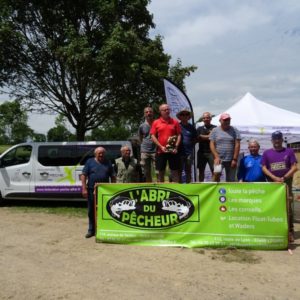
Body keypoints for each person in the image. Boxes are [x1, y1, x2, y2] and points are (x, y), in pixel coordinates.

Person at [261, 131, 298, 243]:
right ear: (272, 140)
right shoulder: (267, 153)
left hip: (286, 182)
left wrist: (284, 177)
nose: (277, 141)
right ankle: (273, 229)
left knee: (287, 206)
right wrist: (274, 178)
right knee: (272, 205)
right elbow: (264, 167)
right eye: (275, 139)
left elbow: (294, 167)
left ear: (282, 140)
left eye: (279, 139)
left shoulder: (289, 151)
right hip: (272, 184)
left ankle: (289, 231)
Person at [81, 147, 116, 238]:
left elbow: (113, 176)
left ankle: (103, 229)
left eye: (102, 153)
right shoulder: (89, 162)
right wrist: (84, 188)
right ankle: (91, 230)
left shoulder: (108, 162)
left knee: (105, 210)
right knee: (91, 211)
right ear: (95, 154)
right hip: (91, 190)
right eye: (99, 153)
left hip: (105, 191)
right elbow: (83, 175)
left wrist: (113, 188)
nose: (101, 155)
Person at [150, 103, 181, 183]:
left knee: (174, 172)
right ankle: (161, 190)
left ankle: (176, 191)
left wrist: (176, 147)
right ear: (161, 112)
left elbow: (179, 135)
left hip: (173, 151)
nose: (167, 111)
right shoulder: (156, 122)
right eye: (165, 110)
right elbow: (153, 136)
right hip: (161, 151)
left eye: (168, 109)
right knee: (160, 172)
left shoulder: (175, 122)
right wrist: (160, 146)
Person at [210, 113, 241, 182]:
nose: (227, 121)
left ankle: (230, 192)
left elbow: (237, 144)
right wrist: (216, 156)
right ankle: (215, 192)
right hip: (219, 159)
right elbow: (212, 144)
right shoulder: (215, 130)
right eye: (225, 120)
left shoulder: (235, 130)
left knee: (231, 180)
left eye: (228, 119)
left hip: (231, 160)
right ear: (220, 120)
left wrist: (235, 159)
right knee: (216, 175)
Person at [176, 107, 197, 183]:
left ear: (189, 117)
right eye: (182, 114)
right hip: (178, 152)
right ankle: (180, 187)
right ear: (180, 116)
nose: (184, 116)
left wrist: (190, 145)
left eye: (186, 114)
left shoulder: (192, 127)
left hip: (189, 152)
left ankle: (188, 187)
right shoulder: (177, 125)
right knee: (179, 170)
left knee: (188, 171)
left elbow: (195, 139)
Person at [197, 112, 216, 181]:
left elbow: (212, 137)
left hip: (212, 152)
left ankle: (213, 186)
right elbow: (198, 137)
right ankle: (201, 186)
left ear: (210, 118)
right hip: (201, 152)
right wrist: (209, 136)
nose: (206, 119)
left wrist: (203, 136)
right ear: (202, 119)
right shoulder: (199, 128)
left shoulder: (215, 128)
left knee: (214, 171)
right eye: (204, 118)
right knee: (201, 171)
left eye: (208, 117)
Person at [139, 106, 156, 182]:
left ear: (153, 113)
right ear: (144, 114)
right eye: (146, 112)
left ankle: (160, 187)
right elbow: (140, 138)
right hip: (145, 152)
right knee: (146, 173)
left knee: (158, 171)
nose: (148, 113)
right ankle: (149, 187)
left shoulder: (157, 124)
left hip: (156, 151)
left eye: (150, 112)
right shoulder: (141, 126)